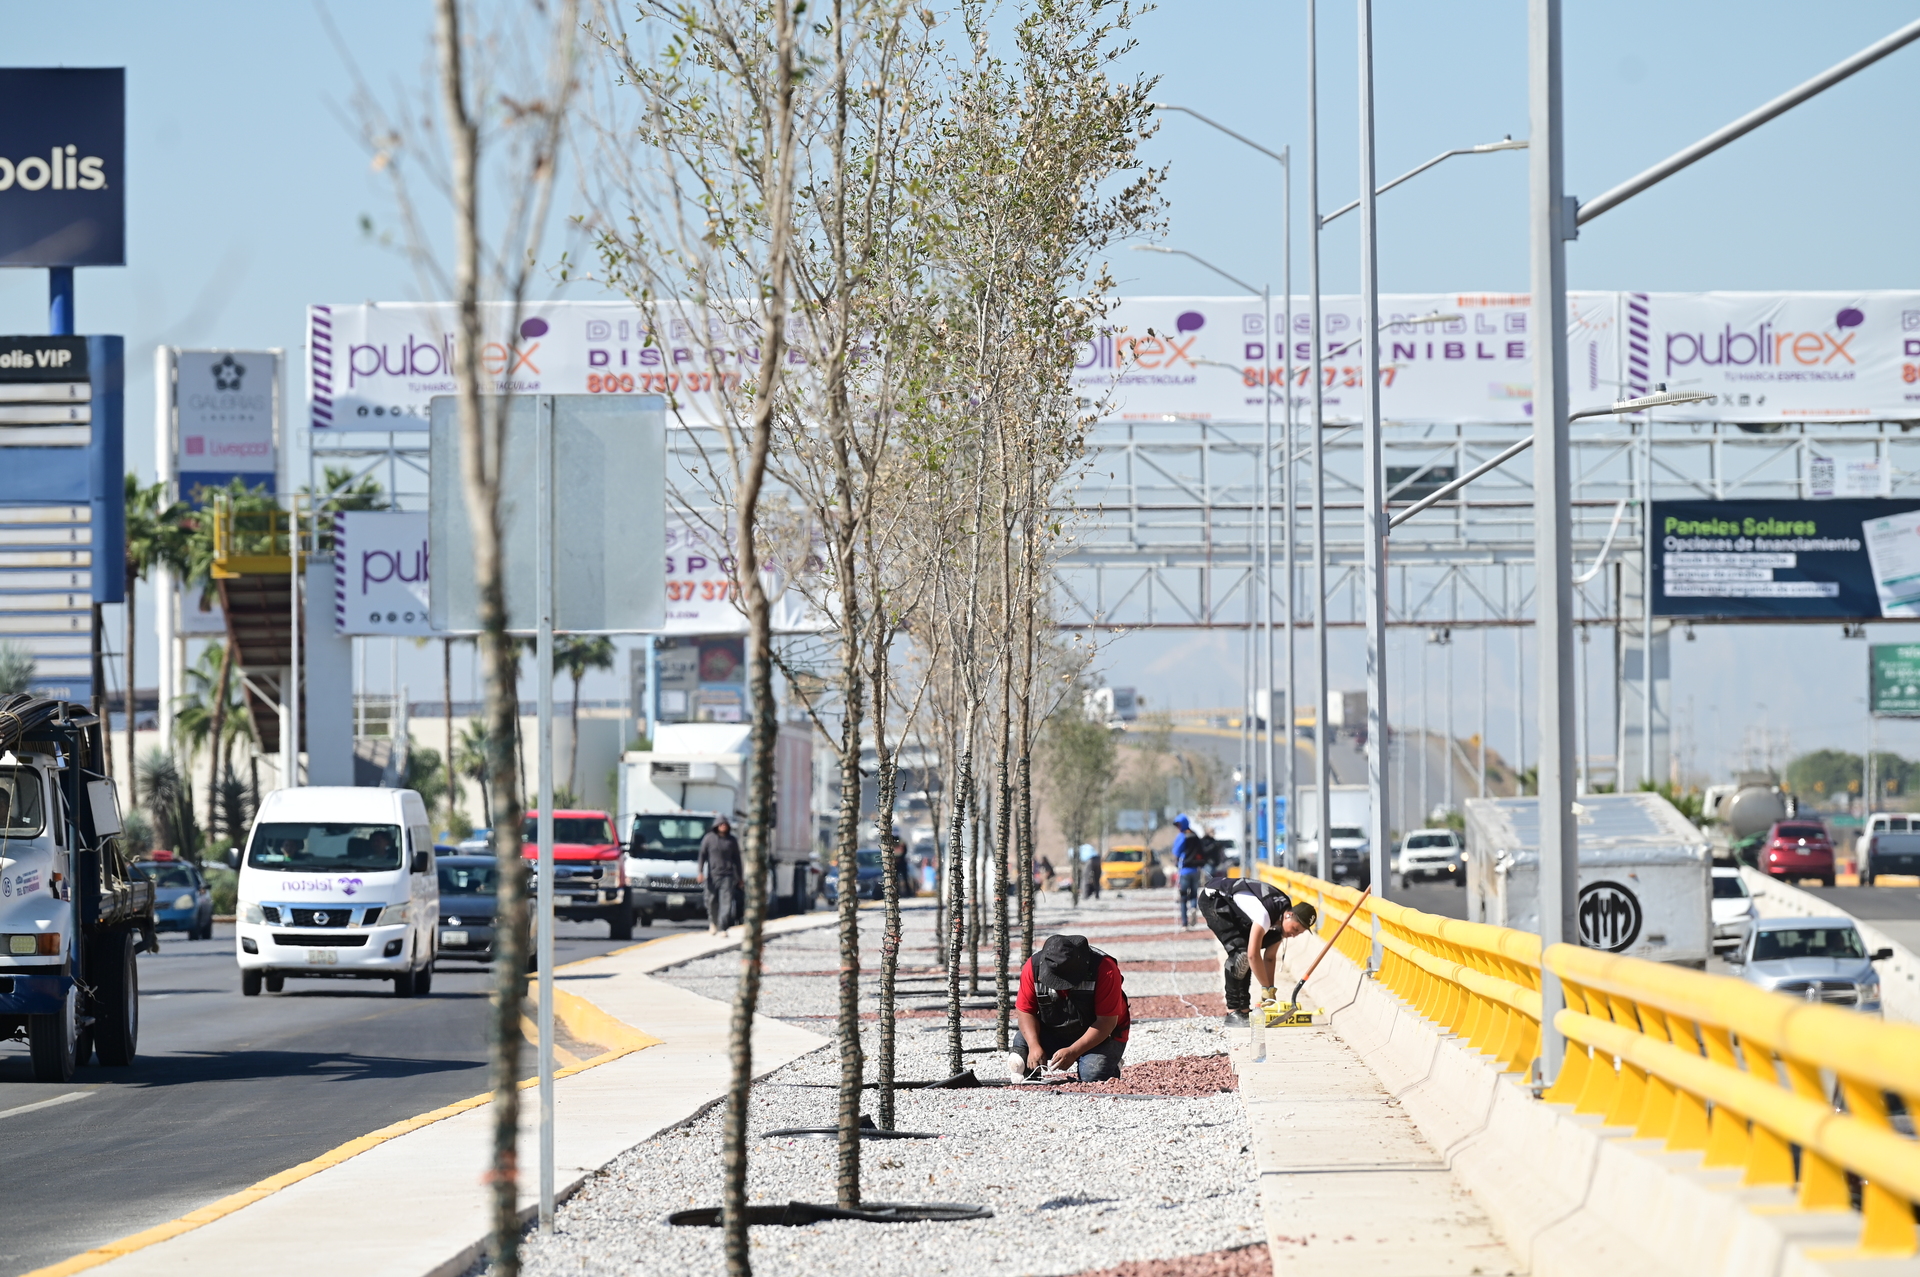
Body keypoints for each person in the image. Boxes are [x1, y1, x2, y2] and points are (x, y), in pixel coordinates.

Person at [1196, 873, 1317, 1027]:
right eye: (1295, 928)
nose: (1294, 935)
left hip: (1234, 907)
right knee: (1241, 954)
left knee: (1250, 949)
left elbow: (1270, 957)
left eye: (1299, 933)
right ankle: (1233, 1012)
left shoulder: (1282, 915)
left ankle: (1244, 1011)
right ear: (1289, 915)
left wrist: (1270, 992)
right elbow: (1253, 955)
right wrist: (1265, 987)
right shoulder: (1265, 914)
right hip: (1215, 899)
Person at [1009, 933, 1131, 1082]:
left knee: (1093, 1076)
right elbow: (1025, 1011)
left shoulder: (1105, 969)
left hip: (1102, 1034)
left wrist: (1073, 1052)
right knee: (1022, 1056)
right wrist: (1034, 1045)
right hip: (1054, 1028)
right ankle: (1031, 1070)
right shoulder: (1033, 966)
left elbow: (1106, 1023)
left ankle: (1110, 1064)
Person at [698, 817, 744, 933]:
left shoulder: (732, 841)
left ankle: (723, 927)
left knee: (726, 902)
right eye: (721, 824)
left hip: (728, 876)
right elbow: (702, 856)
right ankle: (713, 923)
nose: (723, 826)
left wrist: (740, 877)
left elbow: (737, 860)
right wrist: (700, 872)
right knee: (712, 901)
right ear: (716, 826)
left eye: (725, 824)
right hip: (713, 876)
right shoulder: (709, 839)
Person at [1171, 815, 1208, 929]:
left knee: (1183, 897)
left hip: (1184, 870)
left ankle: (1184, 923)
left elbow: (1176, 852)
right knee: (1193, 894)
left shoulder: (1182, 836)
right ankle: (1193, 908)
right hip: (1196, 869)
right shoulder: (1195, 835)